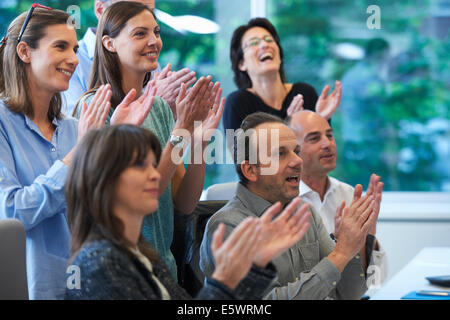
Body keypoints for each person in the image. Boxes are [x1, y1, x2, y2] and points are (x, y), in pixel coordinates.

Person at [0, 6, 150, 299]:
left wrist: (114, 145)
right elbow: (11, 212)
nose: (72, 59)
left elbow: (102, 215)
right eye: (60, 47)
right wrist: (79, 154)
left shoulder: (74, 127)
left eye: (75, 48)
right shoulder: (3, 123)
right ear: (24, 51)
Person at [64, 124, 312, 300]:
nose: (155, 174)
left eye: (153, 164)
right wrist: (224, 280)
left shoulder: (138, 255)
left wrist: (251, 269)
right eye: (140, 166)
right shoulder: (99, 264)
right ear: (102, 179)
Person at [74, 1, 222, 281]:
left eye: (155, 32)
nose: (154, 41)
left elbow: (184, 203)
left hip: (164, 266)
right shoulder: (95, 109)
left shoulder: (159, 108)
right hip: (123, 270)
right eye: (140, 34)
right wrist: (180, 133)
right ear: (109, 43)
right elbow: (145, 192)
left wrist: (199, 142)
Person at [200, 112, 381, 300]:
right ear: (251, 170)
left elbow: (347, 295)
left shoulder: (305, 212)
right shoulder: (228, 226)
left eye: (296, 151)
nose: (298, 161)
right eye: (280, 153)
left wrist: (354, 244)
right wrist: (340, 253)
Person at [289, 110, 388, 287]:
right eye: (314, 138)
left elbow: (377, 281)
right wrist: (343, 246)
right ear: (292, 150)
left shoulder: (348, 193)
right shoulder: (285, 202)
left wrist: (368, 237)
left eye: (330, 135)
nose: (327, 144)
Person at [62, 0, 196, 117]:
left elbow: (165, 143)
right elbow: (75, 135)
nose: (153, 41)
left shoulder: (149, 62)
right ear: (100, 10)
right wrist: (151, 104)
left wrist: (187, 128)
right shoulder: (71, 63)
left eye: (150, 12)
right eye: (131, 9)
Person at [223, 17, 342, 134]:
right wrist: (290, 128)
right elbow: (242, 153)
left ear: (279, 55)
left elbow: (321, 150)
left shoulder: (305, 93)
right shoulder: (237, 103)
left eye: (269, 40)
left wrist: (321, 120)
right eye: (254, 42)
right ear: (242, 63)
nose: (264, 45)